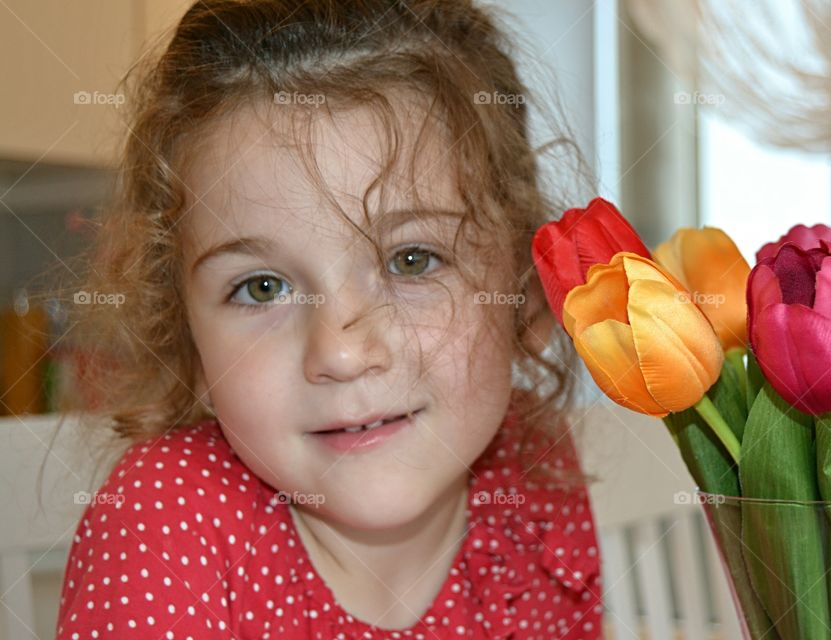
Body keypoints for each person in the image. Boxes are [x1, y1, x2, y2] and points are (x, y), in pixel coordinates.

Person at [55, 1, 604, 637]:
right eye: (262, 288)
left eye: (411, 260)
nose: (341, 353)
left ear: (529, 297)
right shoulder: (165, 519)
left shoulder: (534, 466)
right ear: (187, 344)